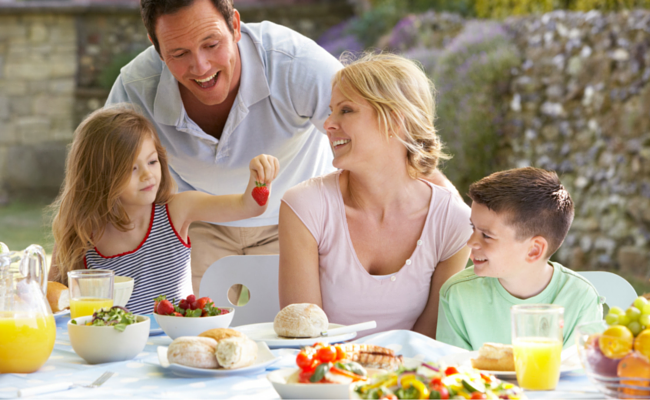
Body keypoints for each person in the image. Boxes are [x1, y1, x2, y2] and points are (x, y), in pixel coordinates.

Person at [106, 0, 456, 295]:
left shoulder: (293, 64)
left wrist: (453, 214)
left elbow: (382, 135)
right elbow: (98, 174)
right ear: (155, 46)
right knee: (208, 337)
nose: (201, 67)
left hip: (296, 222)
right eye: (179, 53)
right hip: (203, 223)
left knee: (292, 335)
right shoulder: (136, 87)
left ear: (235, 26)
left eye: (211, 44)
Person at [278, 53, 472, 338]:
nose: (328, 124)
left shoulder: (454, 222)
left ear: (393, 121)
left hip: (412, 379)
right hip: (323, 378)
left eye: (346, 110)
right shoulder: (305, 207)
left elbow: (430, 342)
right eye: (331, 110)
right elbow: (305, 337)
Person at [48, 105, 279, 314]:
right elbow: (54, 301)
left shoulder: (177, 210)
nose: (148, 175)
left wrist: (260, 181)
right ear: (99, 176)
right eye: (132, 168)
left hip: (173, 345)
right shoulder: (80, 230)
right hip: (112, 351)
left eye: (152, 161)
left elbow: (247, 206)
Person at [436, 167, 603, 350]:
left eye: (486, 235)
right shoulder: (457, 294)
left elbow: (579, 374)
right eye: (473, 228)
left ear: (533, 250)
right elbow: (453, 372)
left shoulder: (581, 299)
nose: (470, 242)